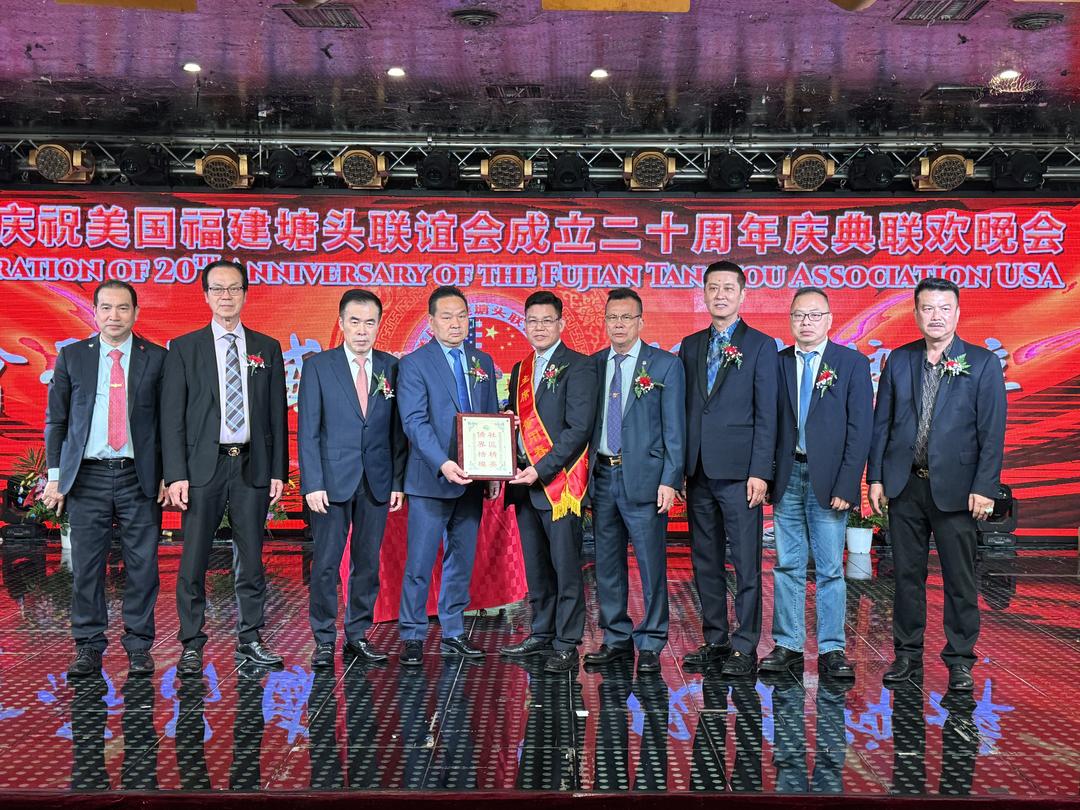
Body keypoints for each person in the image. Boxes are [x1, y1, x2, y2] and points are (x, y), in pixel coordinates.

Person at [868, 277, 1007, 692]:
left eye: (944, 308)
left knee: (959, 579)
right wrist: (876, 476)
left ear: (958, 313)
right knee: (905, 576)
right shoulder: (899, 360)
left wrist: (985, 486)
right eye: (927, 308)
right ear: (915, 313)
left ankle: (960, 659)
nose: (936, 316)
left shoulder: (981, 362)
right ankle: (907, 654)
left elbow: (992, 431)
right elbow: (882, 424)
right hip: (906, 485)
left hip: (959, 490)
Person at [162, 259, 288, 677]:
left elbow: (276, 415)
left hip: (251, 465)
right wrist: (175, 474)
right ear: (205, 296)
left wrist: (278, 471)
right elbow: (171, 418)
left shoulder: (266, 348)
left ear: (246, 294)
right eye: (218, 289)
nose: (226, 296)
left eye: (234, 288)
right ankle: (191, 643)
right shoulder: (185, 348)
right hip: (203, 468)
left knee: (251, 560)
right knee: (194, 559)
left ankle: (250, 638)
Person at [42, 280, 167, 678]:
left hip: (138, 477)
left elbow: (168, 424)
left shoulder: (157, 358)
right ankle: (88, 645)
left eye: (123, 308)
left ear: (136, 313)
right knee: (86, 566)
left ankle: (139, 646)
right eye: (107, 308)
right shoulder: (72, 356)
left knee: (143, 566)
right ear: (94, 312)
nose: (115, 316)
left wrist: (169, 475)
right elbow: (57, 420)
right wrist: (56, 476)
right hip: (87, 477)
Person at [763, 286, 873, 680]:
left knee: (829, 569)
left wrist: (848, 484)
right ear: (790, 320)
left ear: (829, 320)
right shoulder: (776, 363)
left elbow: (860, 430)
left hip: (829, 480)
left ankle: (831, 649)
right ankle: (788, 644)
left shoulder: (851, 363)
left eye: (814, 315)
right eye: (798, 315)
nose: (805, 322)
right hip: (788, 476)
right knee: (787, 565)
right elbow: (766, 424)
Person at [298, 288, 406, 669]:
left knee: (367, 563)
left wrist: (397, 482)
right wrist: (312, 483)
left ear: (378, 326)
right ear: (341, 323)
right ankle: (324, 638)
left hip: (376, 481)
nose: (362, 330)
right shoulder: (318, 366)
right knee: (326, 563)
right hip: (331, 482)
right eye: (355, 321)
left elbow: (397, 433)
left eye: (369, 322)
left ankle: (357, 634)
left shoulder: (392, 368)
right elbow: (308, 430)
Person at [679, 261, 778, 677]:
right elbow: (685, 409)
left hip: (741, 475)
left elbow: (768, 414)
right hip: (699, 470)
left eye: (728, 288)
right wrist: (679, 469)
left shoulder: (761, 345)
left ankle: (745, 644)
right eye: (713, 288)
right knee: (705, 561)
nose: (720, 295)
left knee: (746, 562)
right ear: (703, 293)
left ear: (742, 295)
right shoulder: (690, 345)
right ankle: (716, 639)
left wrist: (761, 471)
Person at [396, 286, 500, 665]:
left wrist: (493, 472)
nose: (455, 323)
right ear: (431, 322)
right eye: (447, 316)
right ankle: (412, 635)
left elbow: (490, 418)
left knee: (461, 559)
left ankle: (453, 631)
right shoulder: (414, 363)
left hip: (472, 482)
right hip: (431, 479)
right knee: (420, 563)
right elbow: (414, 422)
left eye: (461, 316)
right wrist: (442, 462)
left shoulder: (482, 361)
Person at [583, 288, 684, 675]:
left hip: (645, 479)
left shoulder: (664, 365)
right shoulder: (594, 365)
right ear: (605, 322)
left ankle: (652, 640)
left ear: (641, 321)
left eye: (626, 317)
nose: (619, 324)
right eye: (612, 317)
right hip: (602, 475)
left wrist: (670, 479)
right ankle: (616, 637)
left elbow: (675, 429)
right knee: (607, 564)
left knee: (650, 564)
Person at [500, 291, 596, 674]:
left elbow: (578, 430)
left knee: (566, 567)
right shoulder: (520, 369)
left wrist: (541, 469)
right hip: (523, 484)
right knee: (537, 567)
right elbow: (515, 421)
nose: (539, 328)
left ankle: (567, 642)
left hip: (560, 486)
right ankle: (542, 632)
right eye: (532, 321)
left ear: (561, 324)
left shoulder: (580, 366)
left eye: (546, 321)